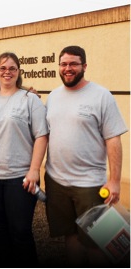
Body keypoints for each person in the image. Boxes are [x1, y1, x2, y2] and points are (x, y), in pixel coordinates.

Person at [44, 45, 128, 266]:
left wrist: (114, 180)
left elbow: (113, 139)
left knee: (97, 241)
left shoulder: (101, 96)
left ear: (84, 66)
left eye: (73, 64)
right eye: (63, 64)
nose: (68, 68)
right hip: (56, 182)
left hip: (90, 184)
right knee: (70, 235)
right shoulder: (53, 96)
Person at [0, 52, 48, 266]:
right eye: (2, 68)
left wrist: (35, 169)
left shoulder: (29, 100)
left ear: (19, 72)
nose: (7, 72)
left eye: (12, 68)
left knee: (21, 232)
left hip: (20, 178)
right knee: (1, 230)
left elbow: (42, 135)